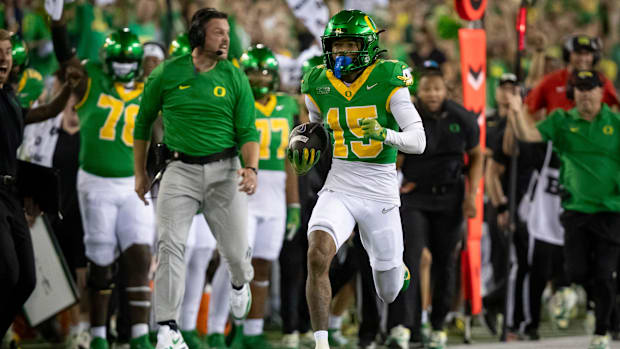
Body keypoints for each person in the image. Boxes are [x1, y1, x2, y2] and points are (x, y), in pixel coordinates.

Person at [293, 10, 426, 349]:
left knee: (389, 289)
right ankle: (321, 343)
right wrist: (304, 146)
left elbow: (418, 141)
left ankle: (397, 268)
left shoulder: (388, 76)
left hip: (380, 188)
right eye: (337, 47)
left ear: (366, 47)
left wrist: (385, 134)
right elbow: (318, 129)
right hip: (340, 183)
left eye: (350, 46)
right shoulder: (317, 82)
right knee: (317, 254)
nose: (342, 54)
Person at [133, 7, 259, 349]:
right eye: (219, 32)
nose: (225, 39)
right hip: (178, 170)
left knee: (235, 254)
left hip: (225, 171)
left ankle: (238, 282)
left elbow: (248, 131)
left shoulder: (234, 77)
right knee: (170, 245)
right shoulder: (167, 73)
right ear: (198, 36)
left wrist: (251, 168)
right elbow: (142, 123)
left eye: (227, 33)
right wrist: (140, 174)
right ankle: (167, 328)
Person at [48, 4, 156, 347]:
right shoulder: (90, 78)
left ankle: (139, 334)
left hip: (133, 182)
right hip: (96, 182)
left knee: (140, 255)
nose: (125, 67)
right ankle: (97, 334)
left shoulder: (147, 87)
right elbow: (67, 61)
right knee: (100, 261)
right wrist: (57, 25)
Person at [509, 69, 620, 349]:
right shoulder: (561, 120)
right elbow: (528, 134)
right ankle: (580, 297)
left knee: (605, 274)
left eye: (590, 87)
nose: (584, 93)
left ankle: (603, 331)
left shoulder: (615, 123)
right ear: (573, 94)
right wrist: (517, 109)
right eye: (579, 88)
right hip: (575, 211)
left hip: (610, 211)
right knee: (577, 271)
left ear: (601, 92)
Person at [207, 44, 300, 349]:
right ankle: (215, 328)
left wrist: (294, 203)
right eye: (252, 72)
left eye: (264, 71)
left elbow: (290, 159)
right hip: (241, 187)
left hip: (274, 192)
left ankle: (253, 331)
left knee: (262, 264)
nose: (259, 78)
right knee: (233, 261)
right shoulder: (234, 101)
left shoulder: (288, 105)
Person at [397, 62, 483, 349]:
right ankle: (409, 327)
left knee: (446, 263)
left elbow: (477, 155)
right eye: (426, 89)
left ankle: (437, 325)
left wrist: (472, 196)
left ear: (446, 90)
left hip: (451, 197)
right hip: (414, 196)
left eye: (436, 88)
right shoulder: (407, 115)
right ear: (417, 91)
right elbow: (395, 153)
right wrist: (396, 181)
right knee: (411, 258)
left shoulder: (463, 118)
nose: (432, 94)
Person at [0, 27, 73, 338]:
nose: (4, 58)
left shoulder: (10, 100)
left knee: (27, 280)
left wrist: (70, 87)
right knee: (8, 273)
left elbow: (45, 111)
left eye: (7, 52)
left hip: (11, 194)